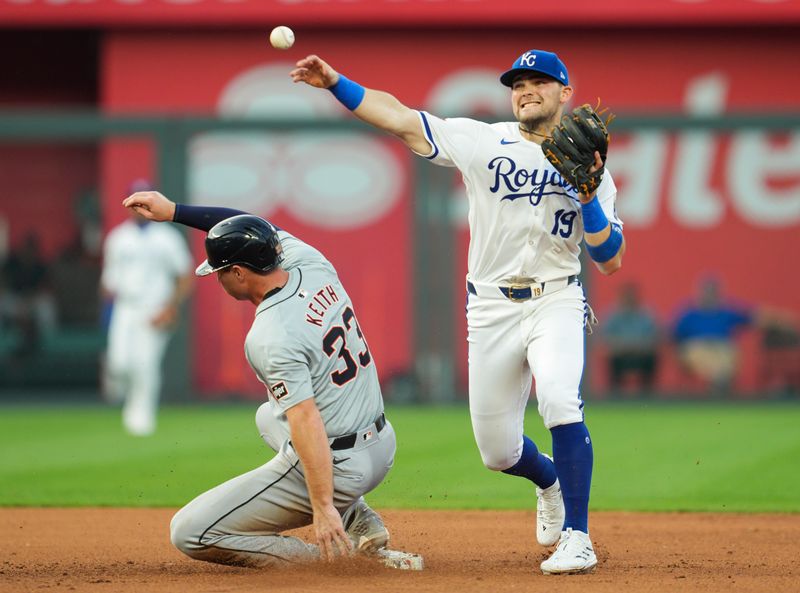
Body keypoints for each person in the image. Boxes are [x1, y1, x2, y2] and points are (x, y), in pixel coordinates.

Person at [290, 49, 625, 574]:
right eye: (517, 83)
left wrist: (587, 195)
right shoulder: (484, 141)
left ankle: (579, 537)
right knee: (497, 452)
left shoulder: (592, 165)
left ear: (565, 92)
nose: (525, 90)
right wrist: (337, 83)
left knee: (560, 399)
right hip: (490, 306)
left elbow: (610, 260)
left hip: (556, 297)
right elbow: (399, 118)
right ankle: (550, 482)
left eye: (539, 81)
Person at [122, 190, 406, 568]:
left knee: (190, 531)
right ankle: (359, 515)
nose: (218, 279)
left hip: (341, 469)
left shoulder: (270, 335)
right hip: (382, 446)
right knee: (267, 416)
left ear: (238, 273)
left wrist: (323, 507)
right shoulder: (311, 262)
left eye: (220, 271)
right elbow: (251, 225)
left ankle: (328, 560)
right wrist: (174, 211)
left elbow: (306, 419)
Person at [101, 180, 193, 436]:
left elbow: (185, 276)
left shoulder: (167, 237)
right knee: (119, 363)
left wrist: (171, 307)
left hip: (154, 307)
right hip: (126, 307)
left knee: (145, 364)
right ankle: (130, 405)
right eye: (135, 201)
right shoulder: (118, 238)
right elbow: (109, 282)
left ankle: (141, 417)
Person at [673, 277, 753, 392]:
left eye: (712, 292)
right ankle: (719, 381)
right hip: (697, 348)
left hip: (723, 348)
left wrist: (781, 319)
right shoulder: (689, 313)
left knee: (729, 353)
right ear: (699, 293)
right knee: (699, 353)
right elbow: (674, 336)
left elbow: (755, 316)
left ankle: (719, 382)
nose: (709, 295)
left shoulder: (727, 311)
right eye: (706, 291)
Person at [603, 283, 660, 393]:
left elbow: (654, 337)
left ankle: (648, 395)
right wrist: (622, 346)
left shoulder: (646, 315)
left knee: (651, 359)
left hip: (642, 355)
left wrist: (638, 347)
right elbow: (607, 339)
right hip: (620, 355)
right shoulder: (614, 316)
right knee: (613, 360)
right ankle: (615, 395)